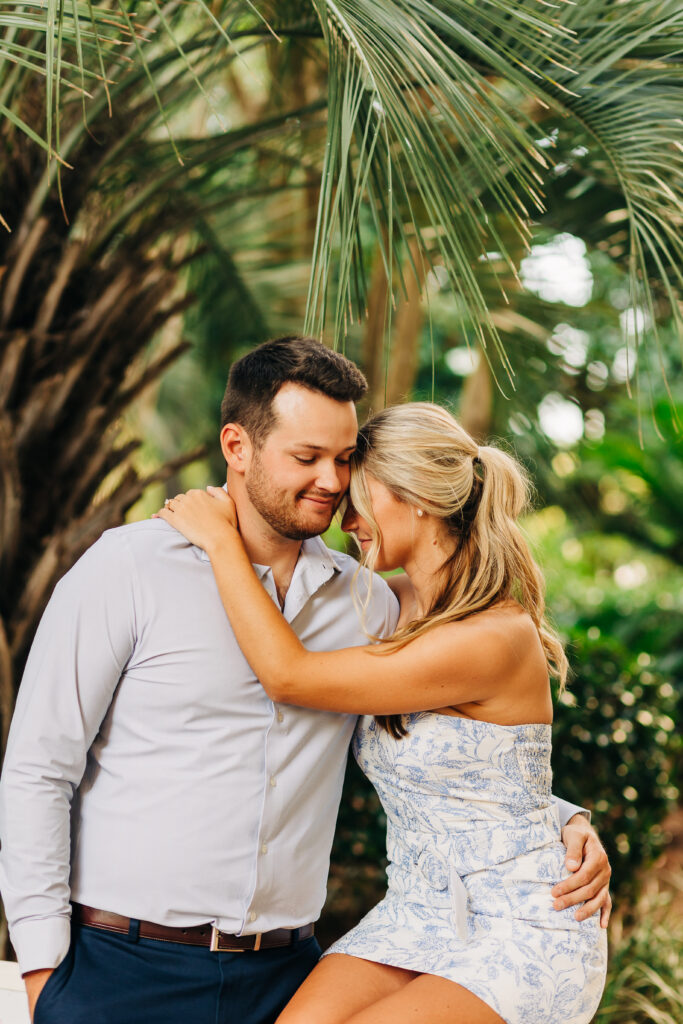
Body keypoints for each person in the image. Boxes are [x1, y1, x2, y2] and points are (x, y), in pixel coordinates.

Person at [0, 338, 609, 1024]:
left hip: (280, 968)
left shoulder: (367, 603)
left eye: (345, 462)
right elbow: (38, 768)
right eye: (306, 457)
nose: (332, 484)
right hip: (122, 966)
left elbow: (461, 726)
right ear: (236, 446)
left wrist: (558, 821)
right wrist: (43, 968)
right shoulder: (131, 570)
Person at [155, 401, 609, 1024]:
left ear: (413, 497)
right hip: (418, 909)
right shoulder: (394, 604)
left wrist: (218, 540)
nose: (346, 520)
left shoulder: (491, 635)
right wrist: (567, 815)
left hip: (521, 918)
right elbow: (494, 771)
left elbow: (290, 676)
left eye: (358, 494)